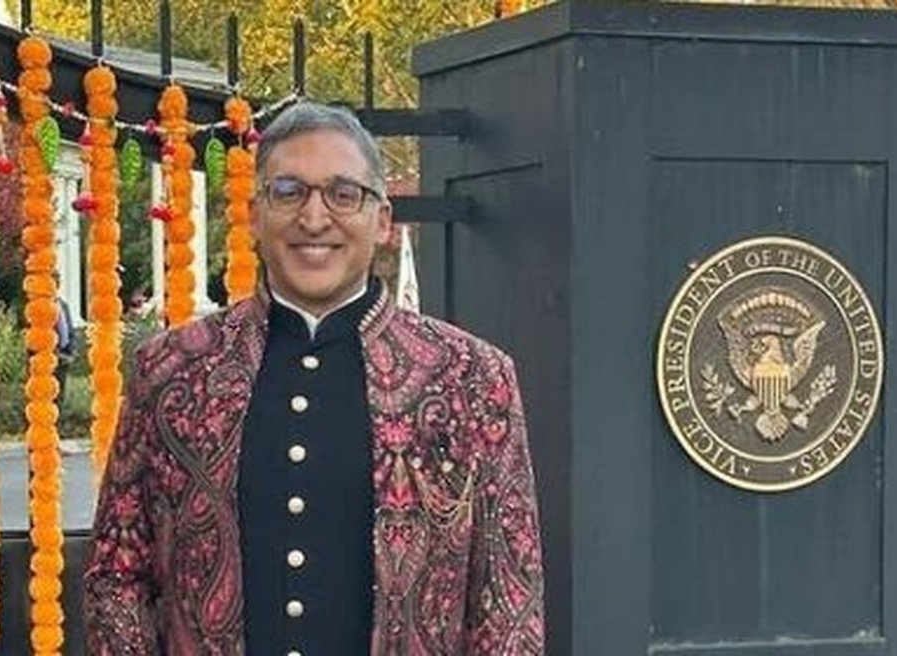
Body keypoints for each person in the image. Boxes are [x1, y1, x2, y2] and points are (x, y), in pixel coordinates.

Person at [83, 102, 544, 654]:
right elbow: (116, 576)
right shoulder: (170, 369)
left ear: (382, 221)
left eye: (343, 193)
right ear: (255, 215)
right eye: (289, 191)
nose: (314, 217)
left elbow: (509, 602)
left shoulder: (471, 377)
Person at [55, 295, 75, 406]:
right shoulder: (40, 306)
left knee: (60, 391)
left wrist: (71, 352)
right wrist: (56, 353)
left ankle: (59, 414)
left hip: (65, 354)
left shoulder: (63, 304)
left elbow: (69, 329)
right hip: (50, 357)